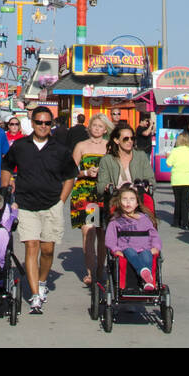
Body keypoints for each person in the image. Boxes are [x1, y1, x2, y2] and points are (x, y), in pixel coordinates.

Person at [1, 107, 76, 313]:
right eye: (39, 122)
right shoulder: (20, 145)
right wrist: (7, 187)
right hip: (26, 204)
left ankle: (42, 282)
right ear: (32, 123)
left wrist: (61, 200)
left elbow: (70, 176)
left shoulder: (60, 149)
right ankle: (35, 295)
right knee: (31, 246)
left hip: (52, 204)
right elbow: (6, 165)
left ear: (51, 125)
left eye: (47, 123)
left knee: (48, 249)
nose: (43, 126)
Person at [70, 112, 110, 285]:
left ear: (105, 129)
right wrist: (86, 172)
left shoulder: (109, 146)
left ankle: (100, 268)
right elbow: (70, 170)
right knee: (89, 231)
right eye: (95, 125)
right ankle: (89, 271)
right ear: (89, 127)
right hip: (86, 194)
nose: (97, 129)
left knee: (103, 234)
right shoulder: (81, 146)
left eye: (101, 126)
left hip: (104, 194)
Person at [104, 184, 163, 291]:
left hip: (145, 248)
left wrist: (156, 247)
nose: (128, 202)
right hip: (125, 249)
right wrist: (115, 250)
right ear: (119, 203)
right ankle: (144, 275)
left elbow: (154, 235)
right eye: (125, 199)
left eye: (131, 199)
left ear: (136, 204)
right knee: (129, 251)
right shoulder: (115, 221)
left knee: (146, 253)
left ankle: (146, 279)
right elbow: (110, 239)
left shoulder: (145, 219)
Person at [96, 122, 156, 212]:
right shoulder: (107, 160)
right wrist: (107, 186)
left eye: (132, 138)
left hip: (138, 204)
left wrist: (146, 185)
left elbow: (151, 180)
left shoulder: (141, 156)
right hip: (117, 204)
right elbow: (100, 186)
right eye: (125, 139)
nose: (130, 141)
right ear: (116, 140)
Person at [166, 130, 189, 230]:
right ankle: (186, 222)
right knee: (185, 202)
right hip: (187, 179)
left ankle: (176, 221)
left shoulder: (175, 151)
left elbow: (168, 163)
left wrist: (168, 157)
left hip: (176, 179)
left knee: (177, 200)